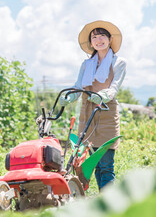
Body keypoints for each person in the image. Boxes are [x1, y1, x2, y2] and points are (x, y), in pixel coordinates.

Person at [59, 20, 126, 190]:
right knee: (92, 163)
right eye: (94, 37)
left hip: (106, 113)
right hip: (87, 114)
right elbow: (79, 86)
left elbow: (114, 87)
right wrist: (70, 96)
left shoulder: (119, 63)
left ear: (110, 39)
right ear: (91, 42)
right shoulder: (86, 64)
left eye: (102, 35)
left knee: (106, 164)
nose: (98, 40)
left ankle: (109, 203)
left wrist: (104, 95)